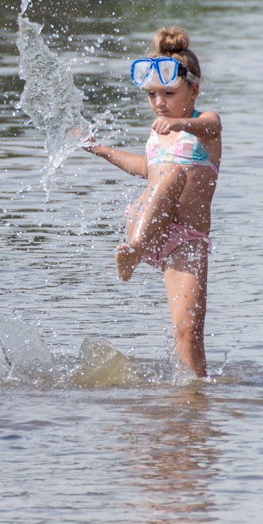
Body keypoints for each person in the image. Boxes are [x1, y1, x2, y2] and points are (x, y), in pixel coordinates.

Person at [83, 27, 221, 377]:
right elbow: (147, 169)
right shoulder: (157, 135)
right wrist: (101, 150)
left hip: (185, 241)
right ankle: (133, 250)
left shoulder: (205, 123)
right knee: (167, 174)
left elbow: (208, 128)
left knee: (188, 332)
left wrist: (179, 123)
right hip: (147, 224)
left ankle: (195, 394)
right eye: (152, 95)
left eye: (168, 93)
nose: (159, 102)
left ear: (194, 90)